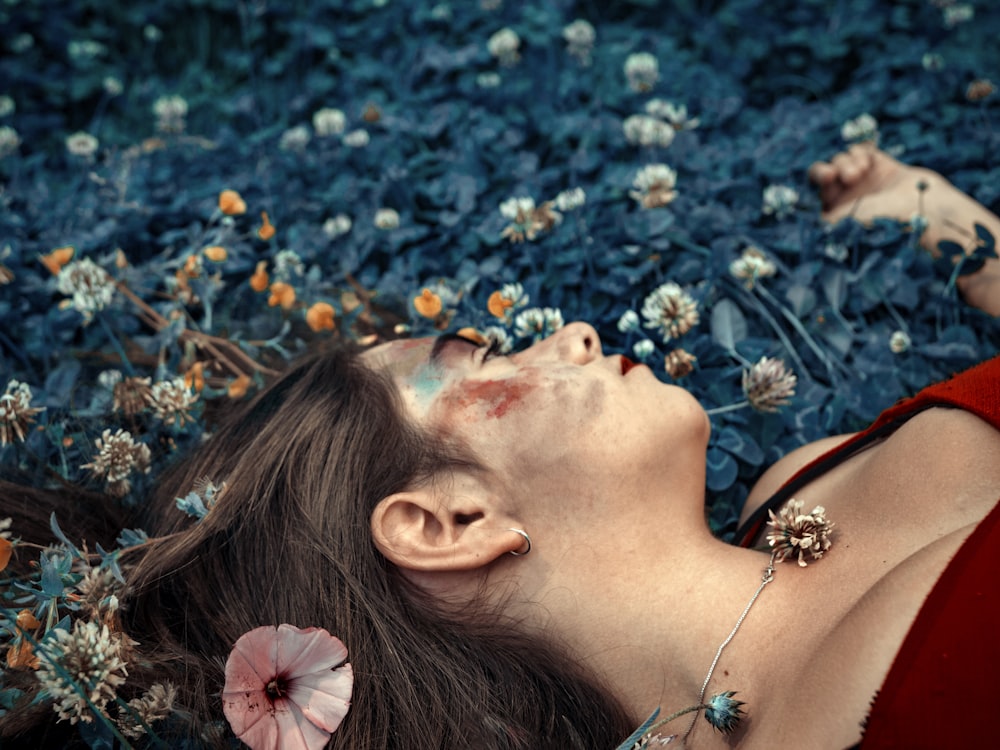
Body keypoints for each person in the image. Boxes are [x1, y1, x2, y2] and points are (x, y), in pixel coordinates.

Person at [1, 146, 998, 749]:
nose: (571, 332)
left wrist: (954, 233)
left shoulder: (796, 487)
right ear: (446, 522)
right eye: (470, 355)